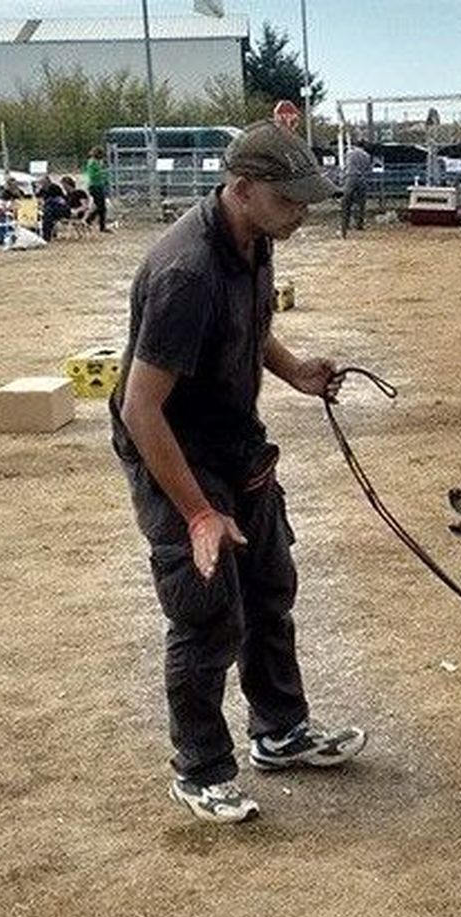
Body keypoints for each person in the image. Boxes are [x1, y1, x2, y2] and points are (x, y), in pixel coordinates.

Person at [110, 121, 364, 825]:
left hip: (234, 441)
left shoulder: (254, 239)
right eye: (291, 202)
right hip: (173, 453)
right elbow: (140, 407)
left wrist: (295, 371)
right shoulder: (185, 272)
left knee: (268, 585)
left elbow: (249, 329)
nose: (302, 215)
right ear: (243, 189)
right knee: (207, 610)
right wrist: (196, 511)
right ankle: (200, 768)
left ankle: (279, 731)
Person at [338, 139, 371, 237]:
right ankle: (359, 224)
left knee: (346, 202)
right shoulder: (367, 155)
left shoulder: (350, 153)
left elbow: (345, 166)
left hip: (350, 178)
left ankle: (345, 226)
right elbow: (367, 168)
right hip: (361, 179)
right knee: (361, 203)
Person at [35, 174, 70, 241]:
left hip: (59, 208)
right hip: (49, 209)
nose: (42, 184)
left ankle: (47, 236)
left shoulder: (55, 188)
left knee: (48, 213)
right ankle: (44, 234)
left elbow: (59, 200)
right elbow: (37, 197)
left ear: (48, 181)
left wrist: (44, 202)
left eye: (43, 182)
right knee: (45, 214)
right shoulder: (42, 190)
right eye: (41, 182)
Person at [85, 146, 110, 232]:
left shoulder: (97, 162)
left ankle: (91, 221)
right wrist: (102, 172)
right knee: (101, 207)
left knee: (100, 206)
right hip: (95, 186)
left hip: (99, 185)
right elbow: (92, 175)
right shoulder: (92, 162)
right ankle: (91, 221)